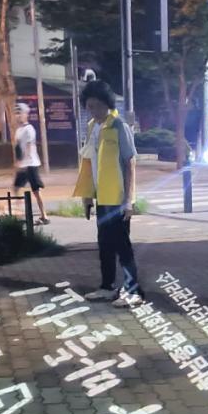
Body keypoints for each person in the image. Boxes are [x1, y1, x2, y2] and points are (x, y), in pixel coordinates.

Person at [72, 80, 144, 308]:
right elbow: (88, 162)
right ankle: (107, 287)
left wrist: (129, 200)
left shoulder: (119, 126)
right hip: (102, 198)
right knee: (104, 245)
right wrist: (87, 197)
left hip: (118, 199)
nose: (93, 111)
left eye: (97, 105)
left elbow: (130, 163)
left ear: (107, 103)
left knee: (122, 247)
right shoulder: (92, 127)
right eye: (89, 106)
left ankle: (133, 292)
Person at [12, 102, 49, 224]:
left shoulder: (29, 129)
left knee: (36, 191)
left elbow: (28, 146)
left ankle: (44, 216)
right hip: (23, 164)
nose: (18, 115)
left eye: (20, 113)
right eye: (16, 113)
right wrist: (18, 161)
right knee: (16, 187)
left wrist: (21, 161)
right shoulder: (18, 130)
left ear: (26, 114)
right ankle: (19, 214)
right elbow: (18, 148)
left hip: (31, 164)